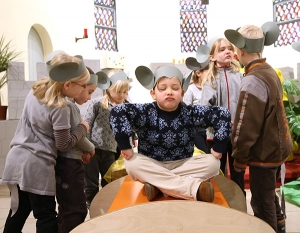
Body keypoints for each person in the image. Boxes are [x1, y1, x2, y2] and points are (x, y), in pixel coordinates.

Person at [109, 65, 232, 202]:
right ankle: (194, 189)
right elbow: (117, 111)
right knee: (132, 164)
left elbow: (223, 114)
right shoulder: (145, 112)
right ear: (153, 93)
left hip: (183, 164)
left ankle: (158, 185)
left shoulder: (190, 113)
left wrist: (219, 146)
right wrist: (125, 144)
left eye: (175, 88)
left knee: (213, 163)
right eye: (162, 88)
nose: (169, 92)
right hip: (152, 164)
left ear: (182, 93)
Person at [1, 52, 90, 233]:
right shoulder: (60, 107)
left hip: (15, 160)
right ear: (67, 84)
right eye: (82, 87)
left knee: (18, 211)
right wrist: (82, 128)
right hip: (37, 166)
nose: (83, 90)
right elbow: (64, 144)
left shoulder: (35, 92)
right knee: (46, 216)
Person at [225, 22, 293, 233]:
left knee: (261, 203)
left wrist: (239, 157)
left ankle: (271, 228)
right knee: (267, 192)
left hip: (264, 151)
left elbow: (246, 126)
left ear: (240, 50)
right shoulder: (269, 70)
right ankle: (280, 222)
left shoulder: (253, 79)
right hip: (277, 146)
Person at [199, 37, 245, 195]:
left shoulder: (240, 77)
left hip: (237, 135)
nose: (228, 51)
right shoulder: (210, 80)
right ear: (212, 57)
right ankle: (219, 206)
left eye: (230, 49)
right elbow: (204, 110)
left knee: (238, 175)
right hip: (216, 136)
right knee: (217, 174)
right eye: (222, 49)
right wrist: (223, 122)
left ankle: (239, 206)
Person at [55, 67, 98, 233]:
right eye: (88, 91)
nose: (89, 97)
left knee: (67, 207)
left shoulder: (66, 104)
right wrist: (91, 148)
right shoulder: (69, 106)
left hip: (66, 162)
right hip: (70, 163)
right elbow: (77, 136)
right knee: (76, 209)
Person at [83, 70, 130, 208]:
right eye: (119, 92)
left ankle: (107, 206)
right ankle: (92, 206)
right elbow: (86, 125)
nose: (122, 95)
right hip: (93, 150)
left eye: (125, 92)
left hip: (110, 150)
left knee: (108, 180)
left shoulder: (126, 107)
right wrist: (86, 149)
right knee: (91, 183)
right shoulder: (97, 104)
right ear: (109, 89)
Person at [183, 46, 210, 153]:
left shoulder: (211, 88)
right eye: (209, 70)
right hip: (197, 130)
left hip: (210, 130)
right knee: (205, 154)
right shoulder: (191, 90)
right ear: (198, 73)